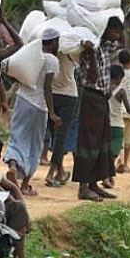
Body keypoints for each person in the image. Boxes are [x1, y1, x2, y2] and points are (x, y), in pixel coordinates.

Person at [4, 29, 60, 196]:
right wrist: (52, 113)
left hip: (22, 100)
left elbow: (14, 76)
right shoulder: (52, 60)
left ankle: (13, 167)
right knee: (35, 144)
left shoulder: (30, 56)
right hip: (39, 107)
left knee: (17, 136)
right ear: (54, 42)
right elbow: (47, 87)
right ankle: (25, 184)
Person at [72, 17, 123, 202]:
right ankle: (83, 187)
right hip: (91, 96)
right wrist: (91, 53)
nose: (117, 36)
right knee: (89, 141)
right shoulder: (88, 52)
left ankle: (94, 184)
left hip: (101, 99)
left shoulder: (106, 47)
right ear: (106, 30)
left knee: (101, 140)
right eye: (114, 31)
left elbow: (118, 41)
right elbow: (92, 78)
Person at [105, 64, 130, 188]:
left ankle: (107, 176)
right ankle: (108, 176)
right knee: (114, 153)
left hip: (106, 124)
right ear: (119, 78)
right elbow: (129, 109)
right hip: (117, 125)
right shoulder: (121, 91)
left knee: (106, 151)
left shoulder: (105, 89)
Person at [44, 49, 79, 187]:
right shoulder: (72, 50)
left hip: (51, 95)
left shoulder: (48, 53)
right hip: (69, 95)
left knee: (55, 134)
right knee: (62, 135)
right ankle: (51, 172)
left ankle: (60, 171)